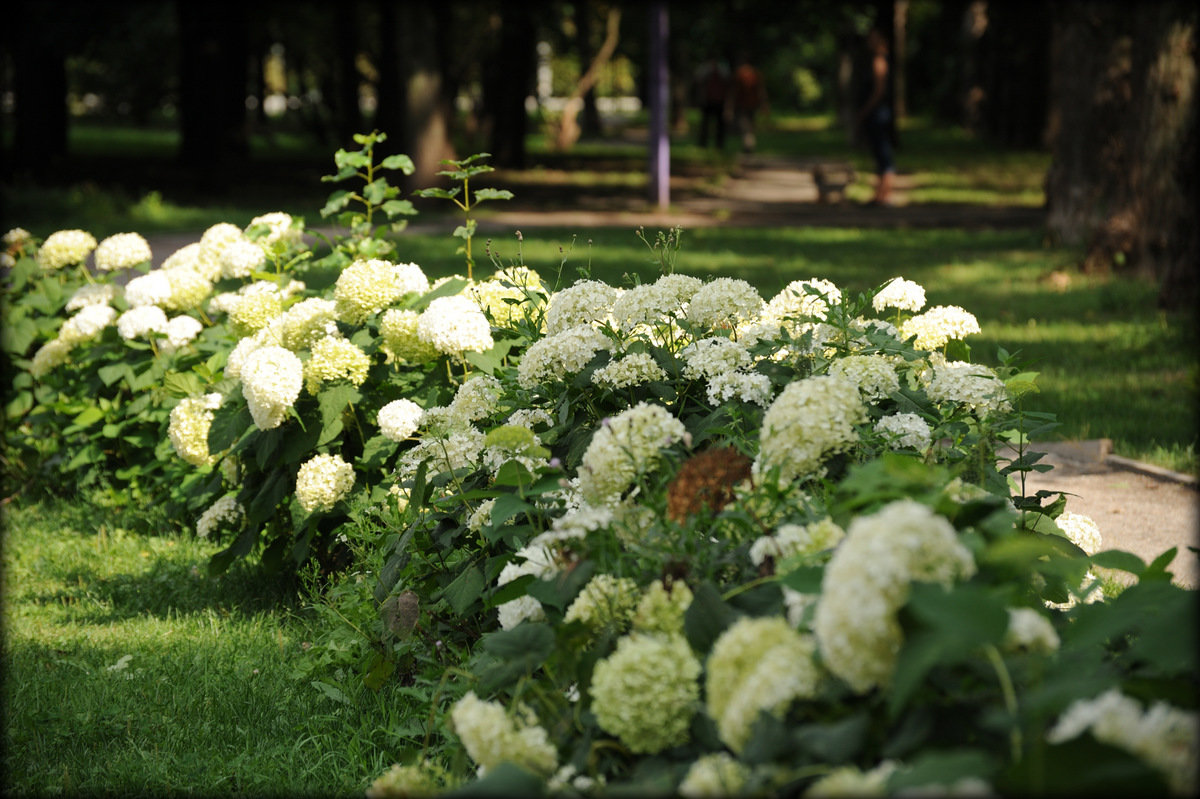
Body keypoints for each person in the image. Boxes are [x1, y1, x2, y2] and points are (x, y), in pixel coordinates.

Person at [855, 28, 896, 206]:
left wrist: (865, 110)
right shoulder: (879, 59)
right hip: (878, 112)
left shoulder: (879, 61)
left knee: (883, 153)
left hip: (877, 113)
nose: (869, 42)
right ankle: (879, 194)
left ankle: (884, 195)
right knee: (879, 153)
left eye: (873, 39)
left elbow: (879, 91)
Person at [731, 53, 768, 153]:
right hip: (752, 103)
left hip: (742, 104)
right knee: (749, 124)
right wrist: (763, 104)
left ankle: (748, 144)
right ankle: (749, 143)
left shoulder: (739, 73)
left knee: (744, 125)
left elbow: (733, 91)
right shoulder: (756, 73)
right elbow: (761, 90)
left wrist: (729, 105)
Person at [694, 56, 729, 149]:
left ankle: (718, 144)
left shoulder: (721, 70)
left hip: (717, 100)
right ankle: (704, 143)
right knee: (706, 123)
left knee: (718, 124)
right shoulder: (707, 70)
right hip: (709, 100)